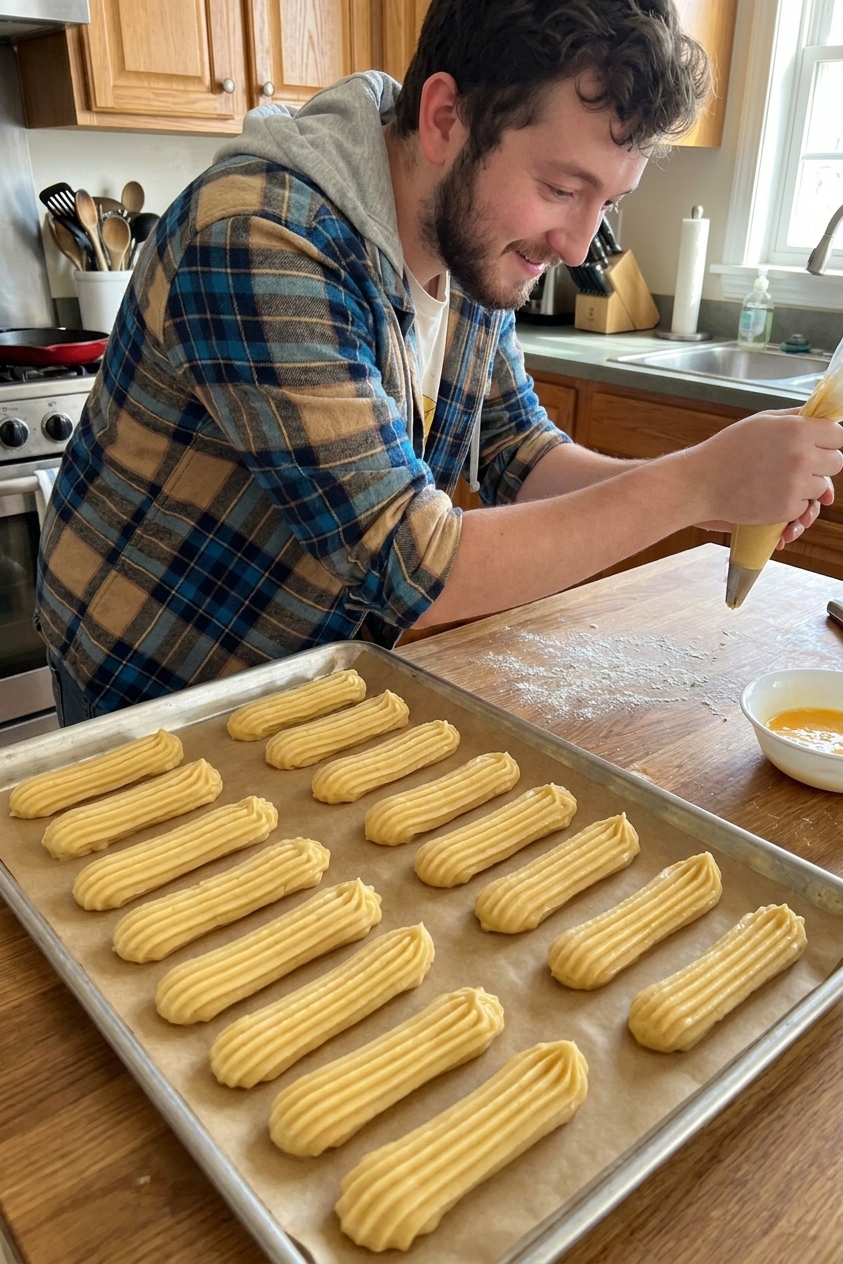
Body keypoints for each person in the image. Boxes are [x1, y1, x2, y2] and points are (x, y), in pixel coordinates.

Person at [37, 0, 843, 723]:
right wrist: (693, 482)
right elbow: (410, 568)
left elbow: (518, 453)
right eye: (562, 188)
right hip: (153, 677)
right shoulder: (256, 239)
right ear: (446, 117)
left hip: (311, 667)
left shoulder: (470, 244)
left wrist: (709, 492)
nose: (573, 245)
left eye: (607, 203)